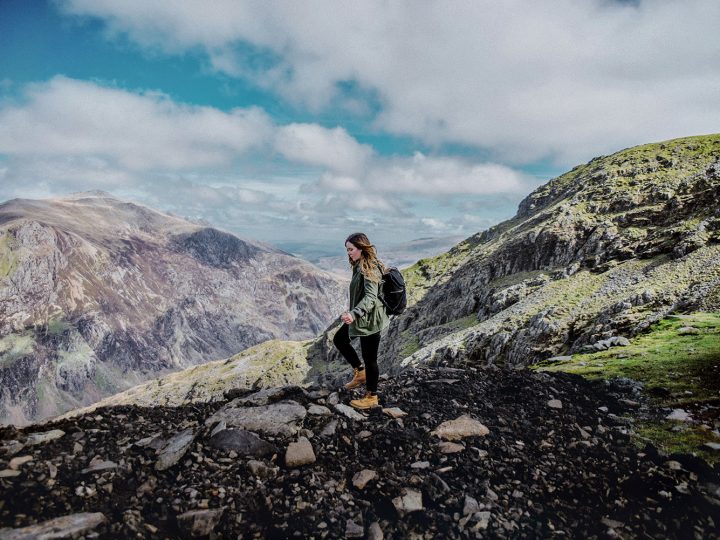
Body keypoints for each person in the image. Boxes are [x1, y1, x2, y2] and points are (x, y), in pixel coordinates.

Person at [333, 232, 390, 409]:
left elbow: (371, 298)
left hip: (371, 319)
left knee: (370, 357)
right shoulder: (360, 264)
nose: (348, 253)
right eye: (347, 250)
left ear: (361, 248)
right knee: (340, 339)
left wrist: (354, 313)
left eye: (351, 249)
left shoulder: (369, 267)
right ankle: (360, 373)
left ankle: (371, 396)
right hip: (362, 316)